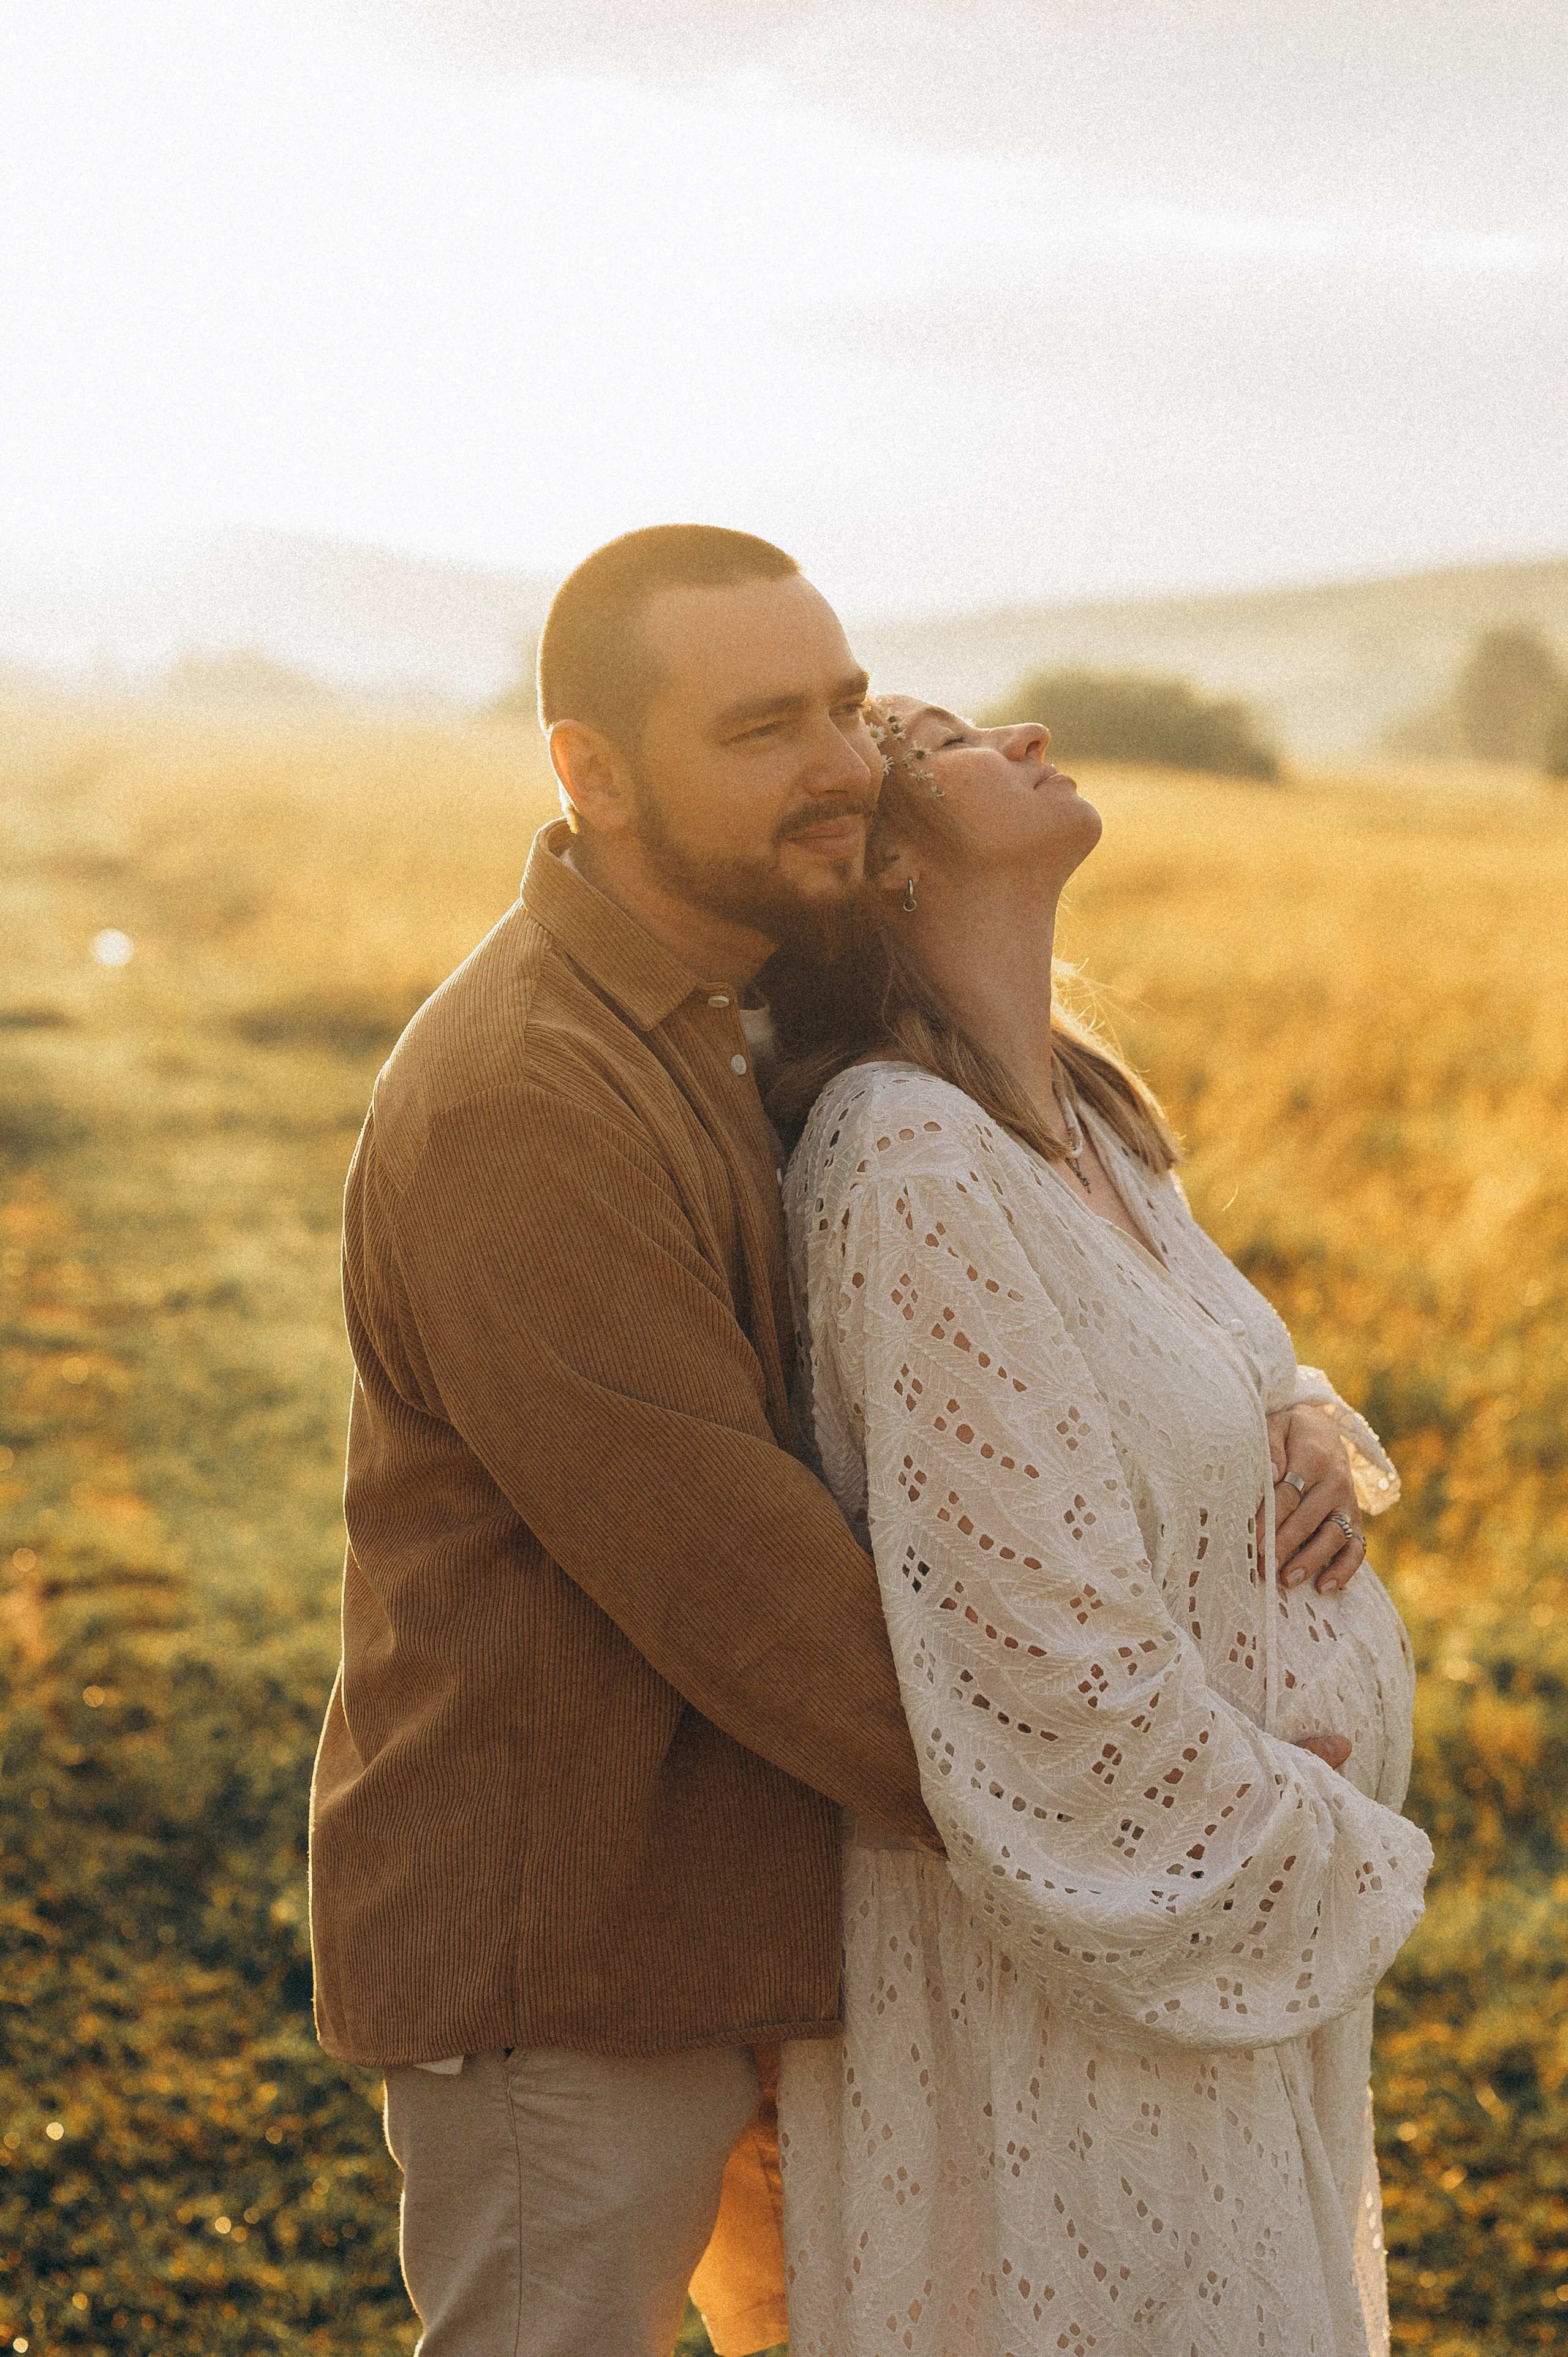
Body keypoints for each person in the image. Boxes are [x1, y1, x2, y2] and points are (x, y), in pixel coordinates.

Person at [307, 525, 944, 2357]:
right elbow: (750, 1592)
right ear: (590, 772)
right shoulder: (527, 1094)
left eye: (843, 703)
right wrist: (1114, 1832)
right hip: (572, 1953)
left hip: (756, 1915)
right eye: (761, 728)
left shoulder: (748, 1007)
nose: (839, 762)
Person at [767, 698, 1432, 2355]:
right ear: (893, 870)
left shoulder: (1086, 1123)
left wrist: (1304, 1427)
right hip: (1079, 1968)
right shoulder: (906, 1156)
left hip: (1194, 1964)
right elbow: (1029, 1654)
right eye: (959, 738)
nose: (1034, 725)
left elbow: (1206, 1372)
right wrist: (1305, 1823)